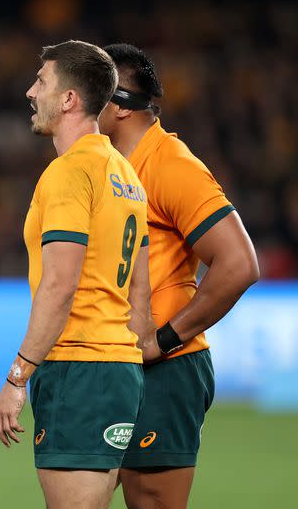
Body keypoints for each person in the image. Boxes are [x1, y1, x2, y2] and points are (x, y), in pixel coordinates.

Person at [99, 43, 259, 508]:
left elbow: (239, 263)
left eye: (92, 92)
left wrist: (164, 339)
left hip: (163, 372)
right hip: (114, 363)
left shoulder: (171, 165)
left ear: (119, 106)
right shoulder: (110, 166)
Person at [0, 40, 152, 509]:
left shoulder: (69, 173)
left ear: (69, 99)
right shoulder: (126, 175)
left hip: (80, 369)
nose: (29, 91)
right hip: (118, 370)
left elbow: (60, 285)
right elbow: (139, 295)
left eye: (41, 81)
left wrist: (17, 376)